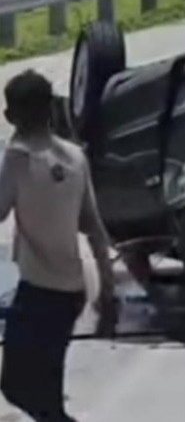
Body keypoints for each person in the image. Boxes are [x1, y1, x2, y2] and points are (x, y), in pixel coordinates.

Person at [0, 70, 117, 421]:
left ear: (11, 115)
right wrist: (107, 291)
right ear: (51, 107)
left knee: (18, 387)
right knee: (45, 392)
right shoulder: (76, 157)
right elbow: (94, 228)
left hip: (39, 294)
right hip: (73, 292)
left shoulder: (18, 159)